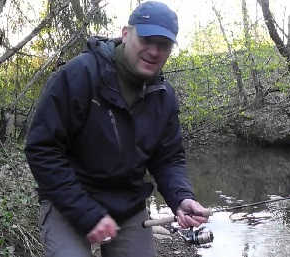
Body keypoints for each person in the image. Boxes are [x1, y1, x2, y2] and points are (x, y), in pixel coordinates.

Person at [25, 2, 209, 256]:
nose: (154, 51)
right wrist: (86, 212)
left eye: (163, 45)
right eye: (147, 39)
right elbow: (41, 149)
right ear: (125, 34)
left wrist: (181, 198)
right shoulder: (79, 75)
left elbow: (168, 158)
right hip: (67, 199)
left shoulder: (164, 96)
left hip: (127, 203)